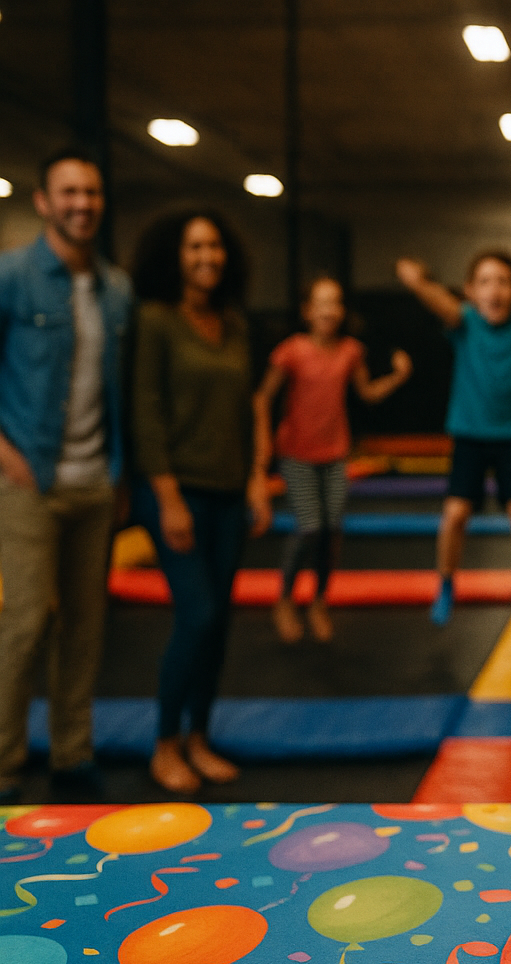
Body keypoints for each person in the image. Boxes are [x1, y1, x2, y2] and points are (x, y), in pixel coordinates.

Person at [0, 146, 132, 802]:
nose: (83, 204)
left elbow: (118, 393)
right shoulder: (14, 276)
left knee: (85, 624)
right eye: (70, 193)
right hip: (30, 476)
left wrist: (119, 472)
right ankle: (4, 758)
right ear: (44, 201)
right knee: (24, 623)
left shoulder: (116, 289)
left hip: (94, 479)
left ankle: (71, 754)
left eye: (92, 193)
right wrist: (5, 454)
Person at [130, 208, 271, 794]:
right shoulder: (157, 321)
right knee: (197, 615)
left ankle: (199, 739)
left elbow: (247, 411)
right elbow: (146, 411)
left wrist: (257, 480)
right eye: (194, 248)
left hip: (228, 492)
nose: (206, 257)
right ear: (176, 256)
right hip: (176, 491)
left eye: (214, 247)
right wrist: (168, 498)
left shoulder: (235, 326)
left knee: (219, 626)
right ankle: (165, 744)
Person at [396, 251, 511, 629]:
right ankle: (447, 582)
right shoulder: (464, 321)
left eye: (503, 281)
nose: (495, 290)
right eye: (485, 282)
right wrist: (420, 283)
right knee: (455, 515)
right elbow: (442, 304)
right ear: (470, 292)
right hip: (469, 437)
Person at [252, 276, 413, 643]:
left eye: (336, 302)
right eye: (322, 303)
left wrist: (398, 377)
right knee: (310, 527)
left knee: (331, 533)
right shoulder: (291, 351)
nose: (330, 310)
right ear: (308, 311)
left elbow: (367, 393)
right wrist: (263, 451)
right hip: (296, 453)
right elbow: (262, 398)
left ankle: (319, 601)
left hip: (336, 454)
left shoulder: (351, 351)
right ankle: (284, 599)